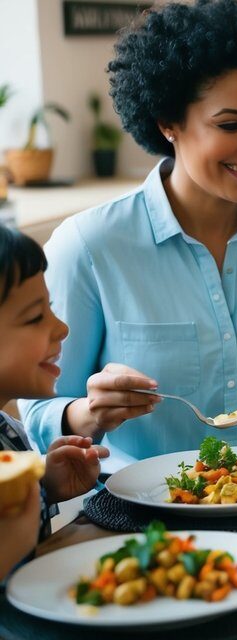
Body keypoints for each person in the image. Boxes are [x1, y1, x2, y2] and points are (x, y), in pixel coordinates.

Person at [20, 0, 237, 470]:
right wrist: (87, 413)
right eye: (230, 124)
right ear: (167, 123)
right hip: (137, 519)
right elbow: (35, 413)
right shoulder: (90, 245)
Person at [0, 226, 108, 580]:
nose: (62, 328)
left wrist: (45, 484)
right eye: (35, 317)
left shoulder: (7, 431)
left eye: (51, 308)